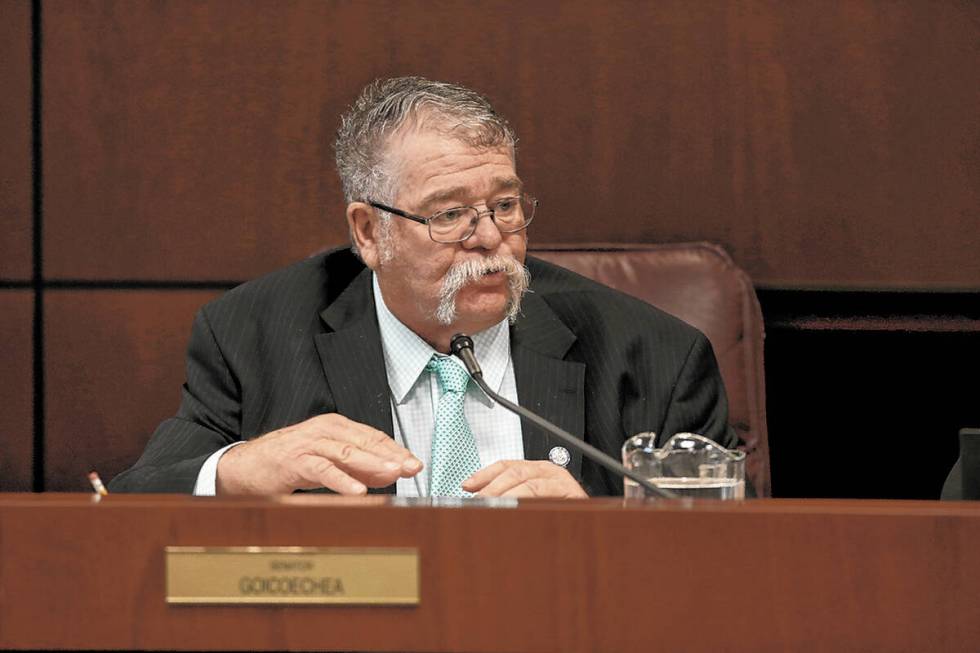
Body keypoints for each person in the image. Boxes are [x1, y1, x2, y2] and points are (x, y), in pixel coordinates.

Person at [110, 76, 736, 498]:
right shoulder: (253, 333)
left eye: (506, 205)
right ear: (369, 232)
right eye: (448, 214)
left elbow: (740, 561)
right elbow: (135, 499)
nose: (491, 238)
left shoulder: (654, 356)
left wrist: (604, 533)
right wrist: (239, 469)